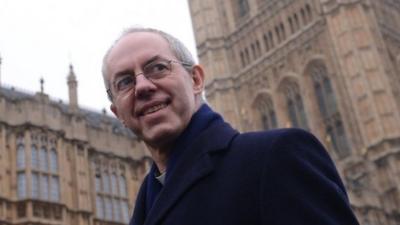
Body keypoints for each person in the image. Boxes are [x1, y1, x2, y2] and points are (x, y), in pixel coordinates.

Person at [102, 27, 360, 225]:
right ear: (118, 113)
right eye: (124, 82)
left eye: (157, 68)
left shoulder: (276, 156)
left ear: (195, 80)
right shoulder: (147, 203)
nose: (143, 86)